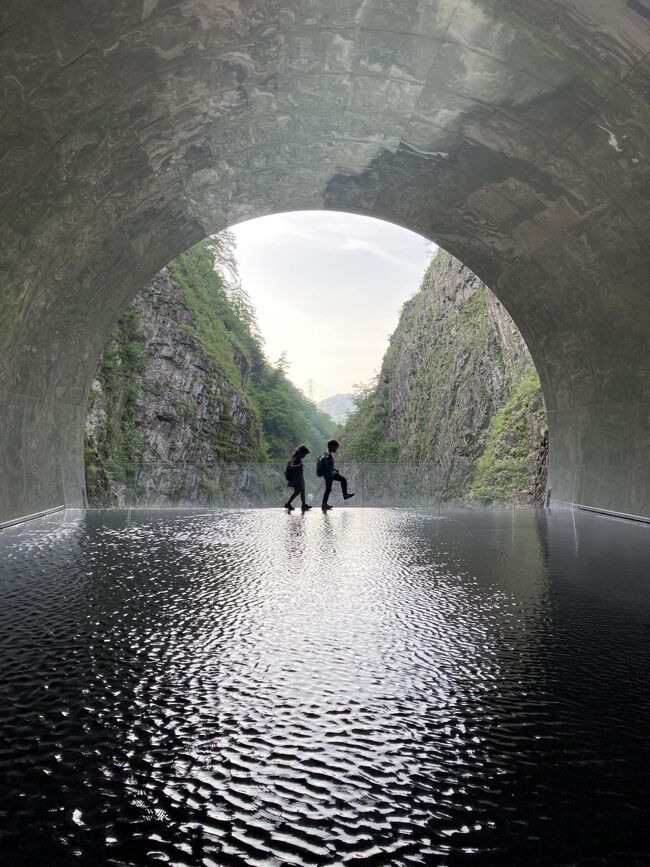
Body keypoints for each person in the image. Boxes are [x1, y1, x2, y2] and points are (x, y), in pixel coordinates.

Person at [320, 438, 354, 511]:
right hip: (329, 474)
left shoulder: (327, 454)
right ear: (331, 446)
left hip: (329, 474)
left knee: (328, 489)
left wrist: (334, 469)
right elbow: (327, 465)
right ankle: (345, 495)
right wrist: (332, 470)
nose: (336, 449)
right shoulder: (328, 455)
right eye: (335, 447)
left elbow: (328, 464)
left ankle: (324, 504)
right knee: (343, 479)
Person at [284, 444, 312, 512]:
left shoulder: (298, 458)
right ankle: (288, 503)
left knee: (302, 490)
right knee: (297, 491)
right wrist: (299, 465)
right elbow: (291, 466)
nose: (304, 456)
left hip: (299, 478)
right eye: (304, 454)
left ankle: (303, 504)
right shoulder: (296, 458)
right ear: (300, 452)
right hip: (296, 479)